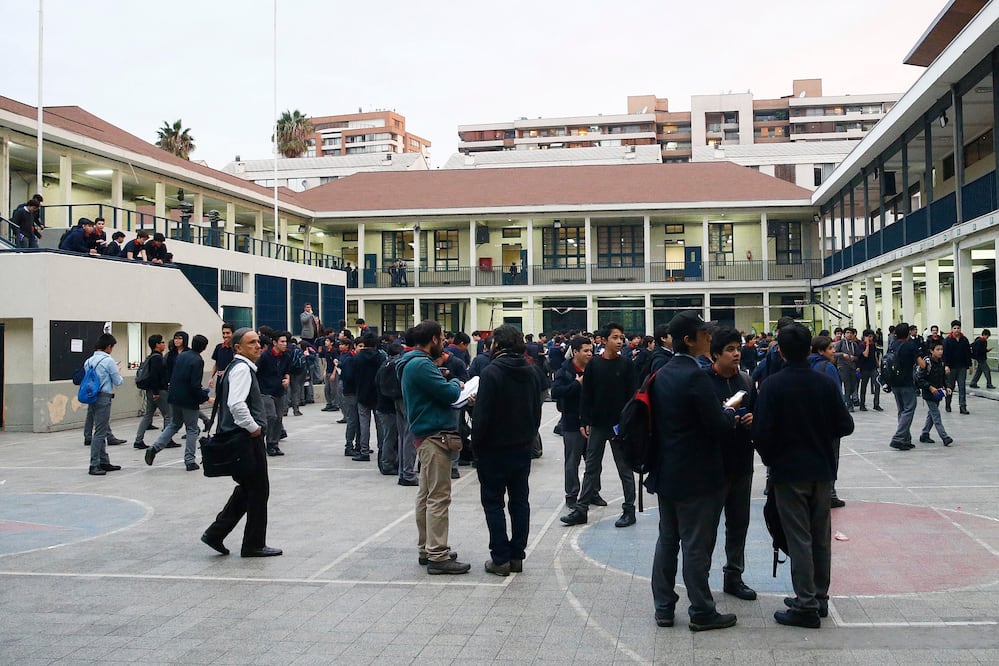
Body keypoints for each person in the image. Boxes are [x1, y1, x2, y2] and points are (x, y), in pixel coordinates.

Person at [753, 323, 854, 628]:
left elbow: (761, 433)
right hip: (822, 471)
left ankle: (805, 603)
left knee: (799, 537)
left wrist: (772, 460)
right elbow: (845, 425)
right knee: (821, 536)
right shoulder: (824, 383)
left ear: (780, 351)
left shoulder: (772, 385)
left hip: (788, 472)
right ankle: (819, 598)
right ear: (810, 349)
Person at [648, 311, 741, 632]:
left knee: (667, 540)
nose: (709, 337)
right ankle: (701, 610)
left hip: (667, 470)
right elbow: (716, 425)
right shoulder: (695, 376)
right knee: (696, 545)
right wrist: (729, 413)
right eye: (704, 333)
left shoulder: (661, 372)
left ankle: (663, 606)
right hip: (697, 475)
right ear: (688, 339)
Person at [201, 328, 282, 558]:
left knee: (249, 489)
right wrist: (254, 428)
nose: (258, 346)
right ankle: (253, 544)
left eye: (258, 342)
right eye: (251, 343)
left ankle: (215, 533)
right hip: (245, 438)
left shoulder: (236, 368)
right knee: (258, 491)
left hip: (240, 438)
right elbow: (237, 405)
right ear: (238, 348)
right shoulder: (242, 370)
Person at [397, 320, 469, 574]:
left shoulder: (414, 362)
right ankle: (438, 554)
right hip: (433, 435)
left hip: (426, 434)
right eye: (443, 337)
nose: (446, 341)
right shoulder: (420, 364)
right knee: (438, 496)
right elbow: (448, 394)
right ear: (434, 340)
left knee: (427, 494)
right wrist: (456, 385)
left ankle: (427, 547)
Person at [472, 325, 542, 576]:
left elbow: (482, 416)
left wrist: (476, 446)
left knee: (493, 502)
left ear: (497, 346)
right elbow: (537, 411)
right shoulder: (531, 371)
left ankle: (500, 557)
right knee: (520, 501)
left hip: (494, 448)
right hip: (521, 447)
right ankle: (517, 555)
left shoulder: (492, 372)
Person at [562, 321, 638, 528]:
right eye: (615, 337)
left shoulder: (627, 365)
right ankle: (581, 509)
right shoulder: (595, 364)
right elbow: (587, 394)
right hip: (597, 424)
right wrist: (584, 420)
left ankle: (629, 510)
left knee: (625, 468)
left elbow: (633, 397)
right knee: (591, 467)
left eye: (621, 338)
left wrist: (628, 424)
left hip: (619, 427)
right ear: (603, 340)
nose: (620, 341)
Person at [704, 327, 758, 601]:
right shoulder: (703, 382)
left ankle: (734, 576)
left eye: (739, 348)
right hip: (713, 466)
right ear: (715, 354)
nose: (737, 353)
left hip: (741, 464)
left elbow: (758, 414)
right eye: (730, 350)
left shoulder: (746, 382)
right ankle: (700, 582)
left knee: (739, 524)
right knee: (707, 527)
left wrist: (751, 422)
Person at [145, 334, 210, 471]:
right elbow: (194, 384)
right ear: (204, 348)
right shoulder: (198, 360)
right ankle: (190, 460)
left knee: (174, 424)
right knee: (192, 429)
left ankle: (154, 448)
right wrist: (205, 397)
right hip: (188, 399)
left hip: (174, 396)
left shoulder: (182, 356)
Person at [550, 335, 593, 507]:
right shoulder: (565, 371)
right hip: (572, 422)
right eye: (586, 351)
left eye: (591, 350)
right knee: (572, 461)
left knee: (592, 461)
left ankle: (592, 492)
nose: (590, 354)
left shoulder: (594, 369)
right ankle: (572, 495)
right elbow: (556, 393)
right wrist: (577, 384)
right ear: (575, 352)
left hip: (591, 422)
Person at [83, 334, 124, 476]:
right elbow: (118, 381)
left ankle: (104, 461)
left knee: (100, 429)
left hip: (92, 397)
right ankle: (94, 464)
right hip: (104, 397)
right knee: (100, 432)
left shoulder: (88, 361)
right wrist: (118, 372)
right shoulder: (108, 361)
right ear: (108, 347)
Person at [133, 334, 171, 450]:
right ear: (157, 345)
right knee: (168, 415)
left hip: (150, 391)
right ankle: (167, 439)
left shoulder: (150, 357)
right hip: (158, 391)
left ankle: (138, 440)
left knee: (148, 415)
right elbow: (155, 376)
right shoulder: (157, 358)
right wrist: (156, 392)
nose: (164, 344)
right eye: (162, 342)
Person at [353, 334, 386, 462]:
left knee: (364, 424)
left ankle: (364, 451)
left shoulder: (357, 357)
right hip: (378, 394)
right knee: (380, 424)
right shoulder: (381, 357)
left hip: (362, 393)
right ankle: (382, 449)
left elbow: (353, 376)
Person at [257, 330, 291, 456]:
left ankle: (275, 444)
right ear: (275, 342)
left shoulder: (286, 356)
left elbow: (287, 371)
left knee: (279, 418)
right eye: (282, 342)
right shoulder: (265, 356)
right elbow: (255, 372)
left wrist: (287, 379)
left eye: (285, 342)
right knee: (271, 416)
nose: (284, 344)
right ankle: (269, 442)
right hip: (265, 391)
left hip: (279, 391)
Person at [916, 340, 954, 447]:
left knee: (931, 415)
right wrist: (930, 387)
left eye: (941, 349)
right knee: (936, 415)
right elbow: (920, 379)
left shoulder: (941, 362)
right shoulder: (926, 363)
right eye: (937, 349)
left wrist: (947, 387)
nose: (940, 351)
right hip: (929, 394)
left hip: (938, 393)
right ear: (931, 351)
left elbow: (943, 377)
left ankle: (924, 434)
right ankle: (945, 437)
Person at [942, 319, 971, 415]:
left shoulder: (964, 340)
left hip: (962, 367)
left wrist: (970, 365)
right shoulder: (947, 341)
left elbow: (968, 353)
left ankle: (963, 406)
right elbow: (945, 354)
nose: (957, 330)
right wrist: (946, 365)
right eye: (954, 328)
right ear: (951, 329)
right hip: (951, 367)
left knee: (962, 387)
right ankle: (948, 404)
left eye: (958, 328)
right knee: (950, 387)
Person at [833, 327, 860, 411]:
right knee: (847, 385)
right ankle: (849, 405)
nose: (849, 334)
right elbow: (834, 353)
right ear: (844, 334)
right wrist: (842, 354)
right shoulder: (840, 343)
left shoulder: (854, 344)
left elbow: (858, 357)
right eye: (847, 333)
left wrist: (854, 358)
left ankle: (848, 401)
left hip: (852, 367)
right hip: (843, 366)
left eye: (851, 333)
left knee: (853, 386)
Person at [857, 329, 882, 411]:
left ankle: (876, 404)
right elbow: (865, 354)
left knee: (877, 385)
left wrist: (878, 364)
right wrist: (867, 344)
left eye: (871, 336)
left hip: (873, 368)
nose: (870, 338)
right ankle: (862, 404)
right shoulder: (861, 345)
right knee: (863, 387)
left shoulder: (873, 345)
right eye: (869, 336)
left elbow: (874, 355)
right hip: (864, 368)